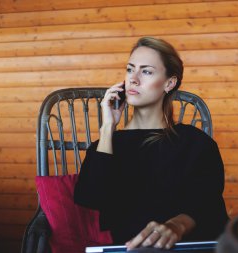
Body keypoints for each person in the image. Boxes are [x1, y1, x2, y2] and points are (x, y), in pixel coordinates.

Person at [74, 37, 229, 250]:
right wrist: (108, 127)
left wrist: (176, 225)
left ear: (169, 83)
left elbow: (208, 205)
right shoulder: (107, 144)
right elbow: (90, 197)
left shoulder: (195, 143)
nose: (133, 79)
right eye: (130, 70)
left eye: (146, 71)